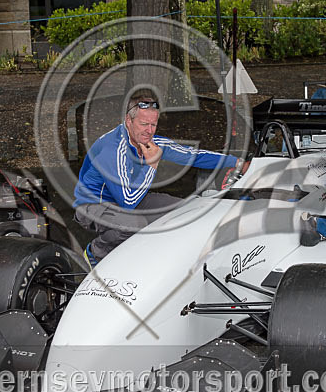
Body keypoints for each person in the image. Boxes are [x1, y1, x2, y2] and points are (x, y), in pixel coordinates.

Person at [73, 95, 246, 267]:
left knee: (188, 210)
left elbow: (192, 156)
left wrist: (237, 163)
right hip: (94, 204)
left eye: (153, 124)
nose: (149, 130)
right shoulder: (114, 149)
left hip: (130, 198)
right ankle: (96, 252)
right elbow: (128, 202)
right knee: (133, 224)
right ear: (128, 120)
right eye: (143, 124)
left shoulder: (149, 141)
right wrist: (152, 164)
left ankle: (162, 260)